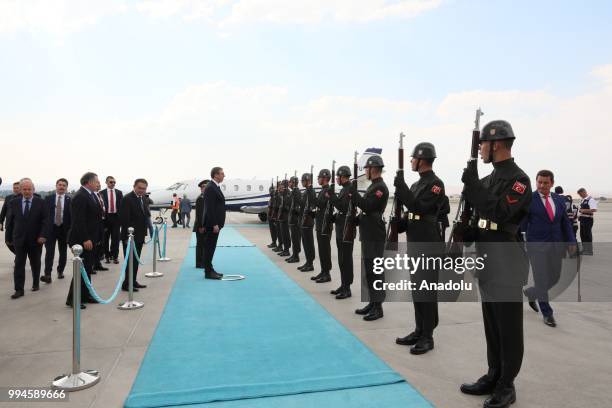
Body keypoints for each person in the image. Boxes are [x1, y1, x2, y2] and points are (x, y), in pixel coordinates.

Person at [460, 120, 532, 408]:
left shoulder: (520, 180)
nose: (480, 150)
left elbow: (501, 213)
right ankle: (493, 374)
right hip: (487, 260)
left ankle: (507, 385)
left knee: (508, 327)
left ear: (497, 144)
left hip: (507, 261)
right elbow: (484, 218)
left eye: (482, 145)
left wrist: (475, 186)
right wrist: (470, 232)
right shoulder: (489, 179)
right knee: (491, 324)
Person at [394, 143, 445, 354]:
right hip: (415, 241)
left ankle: (428, 336)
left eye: (413, 158)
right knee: (418, 289)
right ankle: (419, 329)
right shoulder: (416, 184)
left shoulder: (436, 184)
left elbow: (420, 207)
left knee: (427, 290)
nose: (411, 161)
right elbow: (411, 212)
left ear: (422, 160)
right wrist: (401, 223)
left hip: (428, 242)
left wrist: (402, 188)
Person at [522, 170, 576, 328]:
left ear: (551, 183)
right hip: (536, 246)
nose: (542, 185)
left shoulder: (559, 200)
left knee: (555, 277)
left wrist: (571, 241)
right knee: (541, 278)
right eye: (539, 182)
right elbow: (522, 224)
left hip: (556, 245)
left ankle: (532, 293)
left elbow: (565, 222)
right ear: (536, 182)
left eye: (545, 183)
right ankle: (547, 313)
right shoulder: (529, 199)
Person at [353, 156, 389, 321]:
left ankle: (378, 307)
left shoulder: (380, 187)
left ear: (373, 169)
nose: (365, 171)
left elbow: (368, 206)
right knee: (369, 270)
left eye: (366, 168)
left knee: (375, 270)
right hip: (368, 233)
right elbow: (366, 211)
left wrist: (355, 195)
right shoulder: (373, 186)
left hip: (375, 234)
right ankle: (372, 303)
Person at [5, 178, 49, 299]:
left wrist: (43, 235)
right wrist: (8, 237)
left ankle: (35, 283)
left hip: (36, 240)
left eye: (29, 189)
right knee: (19, 264)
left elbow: (46, 221)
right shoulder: (14, 202)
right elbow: (9, 221)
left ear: (33, 189)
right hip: (19, 239)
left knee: (35, 263)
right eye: (24, 189)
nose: (27, 191)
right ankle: (19, 289)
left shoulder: (41, 202)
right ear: (20, 190)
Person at [66, 172, 103, 309]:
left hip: (91, 238)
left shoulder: (91, 195)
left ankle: (85, 295)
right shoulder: (80, 196)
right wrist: (85, 238)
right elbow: (78, 221)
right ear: (89, 182)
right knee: (81, 270)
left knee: (87, 269)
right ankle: (73, 299)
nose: (98, 183)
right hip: (82, 240)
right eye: (96, 181)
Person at [120, 178, 151, 291]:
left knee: (135, 260)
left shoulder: (143, 198)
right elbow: (124, 220)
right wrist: (128, 237)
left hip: (140, 235)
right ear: (134, 186)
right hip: (130, 236)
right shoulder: (127, 199)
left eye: (144, 188)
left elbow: (145, 216)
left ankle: (132, 281)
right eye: (139, 188)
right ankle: (127, 284)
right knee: (130, 261)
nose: (141, 190)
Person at [330, 165, 355, 300]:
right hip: (341, 227)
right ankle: (343, 284)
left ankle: (347, 287)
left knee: (346, 259)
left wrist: (332, 197)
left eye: (338, 177)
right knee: (341, 259)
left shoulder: (349, 189)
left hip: (346, 229)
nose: (337, 179)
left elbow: (343, 207)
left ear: (343, 177)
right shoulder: (344, 189)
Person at [41, 178, 71, 283]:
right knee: (49, 252)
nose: (61, 187)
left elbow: (72, 217)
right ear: (56, 186)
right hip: (51, 229)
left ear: (66, 188)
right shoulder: (48, 199)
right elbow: (44, 216)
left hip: (63, 229)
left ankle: (60, 271)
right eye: (60, 185)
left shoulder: (69, 200)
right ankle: (47, 274)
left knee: (63, 252)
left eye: (64, 185)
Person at [202, 167, 226, 279]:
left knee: (211, 247)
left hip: (215, 224)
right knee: (209, 248)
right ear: (216, 175)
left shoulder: (215, 186)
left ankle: (210, 269)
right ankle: (208, 272)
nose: (224, 175)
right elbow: (209, 208)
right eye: (222, 174)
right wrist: (215, 224)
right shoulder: (210, 187)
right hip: (212, 225)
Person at [312, 169, 333, 283]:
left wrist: (313, 198)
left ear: (324, 178)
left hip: (325, 224)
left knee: (325, 249)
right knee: (321, 249)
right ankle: (323, 271)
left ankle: (327, 273)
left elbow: (321, 204)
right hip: (320, 223)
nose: (318, 179)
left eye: (319, 177)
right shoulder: (323, 190)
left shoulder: (328, 190)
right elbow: (320, 208)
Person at [100, 176, 123, 264]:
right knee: (105, 238)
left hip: (116, 218)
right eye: (111, 182)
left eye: (114, 182)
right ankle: (107, 256)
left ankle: (115, 256)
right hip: (106, 218)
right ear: (106, 182)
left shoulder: (119, 193)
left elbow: (121, 206)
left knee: (116, 238)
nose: (113, 184)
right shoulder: (101, 193)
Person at [298, 172, 317, 272]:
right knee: (305, 243)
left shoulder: (311, 191)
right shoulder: (306, 192)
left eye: (303, 181)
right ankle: (307, 262)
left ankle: (310, 263)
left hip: (308, 221)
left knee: (309, 243)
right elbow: (303, 204)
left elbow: (312, 205)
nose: (302, 182)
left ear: (308, 181)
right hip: (303, 220)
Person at [1, 181, 22, 254]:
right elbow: (3, 211)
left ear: (21, 188)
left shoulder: (23, 198)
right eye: (14, 188)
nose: (15, 189)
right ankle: (19, 255)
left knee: (17, 243)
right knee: (8, 242)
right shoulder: (8, 198)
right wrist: (1, 222)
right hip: (9, 225)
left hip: (19, 226)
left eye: (17, 188)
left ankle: (19, 258)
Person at [92, 180, 109, 272]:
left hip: (102, 222)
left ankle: (97, 263)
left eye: (99, 184)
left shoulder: (100, 195)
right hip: (95, 223)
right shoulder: (91, 195)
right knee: (94, 244)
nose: (98, 185)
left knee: (100, 244)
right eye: (97, 183)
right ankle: (91, 265)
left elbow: (104, 209)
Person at [285, 176, 302, 263]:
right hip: (292, 219)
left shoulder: (297, 192)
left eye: (290, 182)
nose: (289, 184)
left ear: (294, 183)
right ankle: (294, 254)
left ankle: (296, 256)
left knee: (296, 238)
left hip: (296, 220)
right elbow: (289, 203)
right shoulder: (292, 192)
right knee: (293, 238)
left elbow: (298, 205)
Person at [193, 180, 209, 268]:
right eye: (203, 187)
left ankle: (202, 262)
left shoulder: (205, 197)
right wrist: (201, 226)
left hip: (204, 226)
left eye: (205, 187)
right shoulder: (201, 198)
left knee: (203, 244)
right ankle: (200, 263)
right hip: (201, 226)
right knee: (200, 245)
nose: (204, 188)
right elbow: (199, 214)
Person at [577, 187, 597, 255]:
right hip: (583, 220)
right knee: (582, 235)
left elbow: (594, 209)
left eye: (580, 194)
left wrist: (583, 210)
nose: (580, 195)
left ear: (584, 192)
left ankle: (589, 251)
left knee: (587, 235)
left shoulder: (590, 199)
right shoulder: (583, 200)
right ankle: (585, 249)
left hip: (588, 220)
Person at [276, 180, 291, 257]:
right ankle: (284, 248)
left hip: (285, 217)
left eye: (282, 186)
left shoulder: (288, 194)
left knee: (285, 234)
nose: (280, 187)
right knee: (282, 233)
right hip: (282, 217)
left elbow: (288, 206)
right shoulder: (283, 194)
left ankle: (287, 249)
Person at [266, 185, 278, 249]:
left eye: (271, 191)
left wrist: (274, 217)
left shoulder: (275, 199)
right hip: (270, 217)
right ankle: (273, 242)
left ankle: (275, 243)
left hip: (273, 217)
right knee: (272, 231)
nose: (270, 192)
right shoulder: (271, 199)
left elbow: (275, 208)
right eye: (270, 190)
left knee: (274, 231)